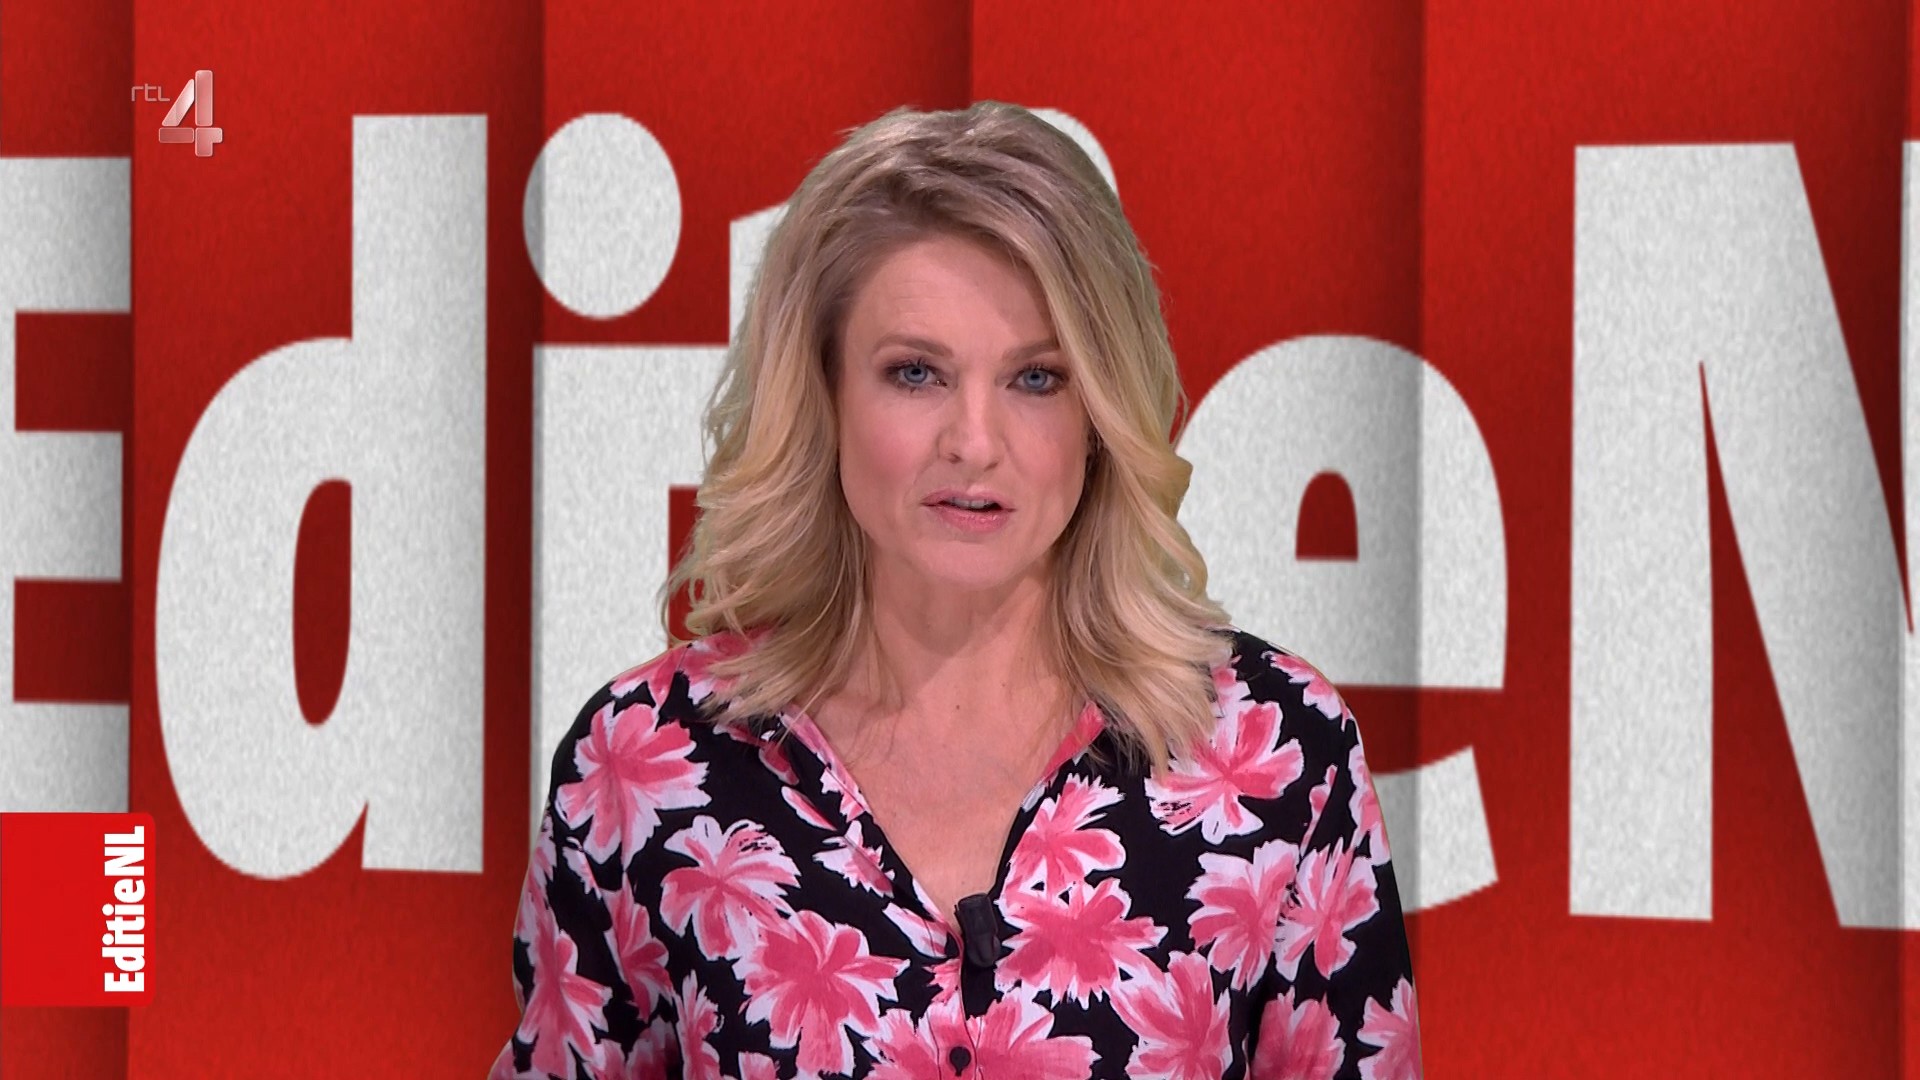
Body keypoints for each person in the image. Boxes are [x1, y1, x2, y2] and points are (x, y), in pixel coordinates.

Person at [490, 100, 1421, 1080]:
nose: (975, 443)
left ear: (1100, 414)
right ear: (823, 395)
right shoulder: (647, 762)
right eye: (916, 373)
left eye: (1037, 379)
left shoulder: (1278, 753)